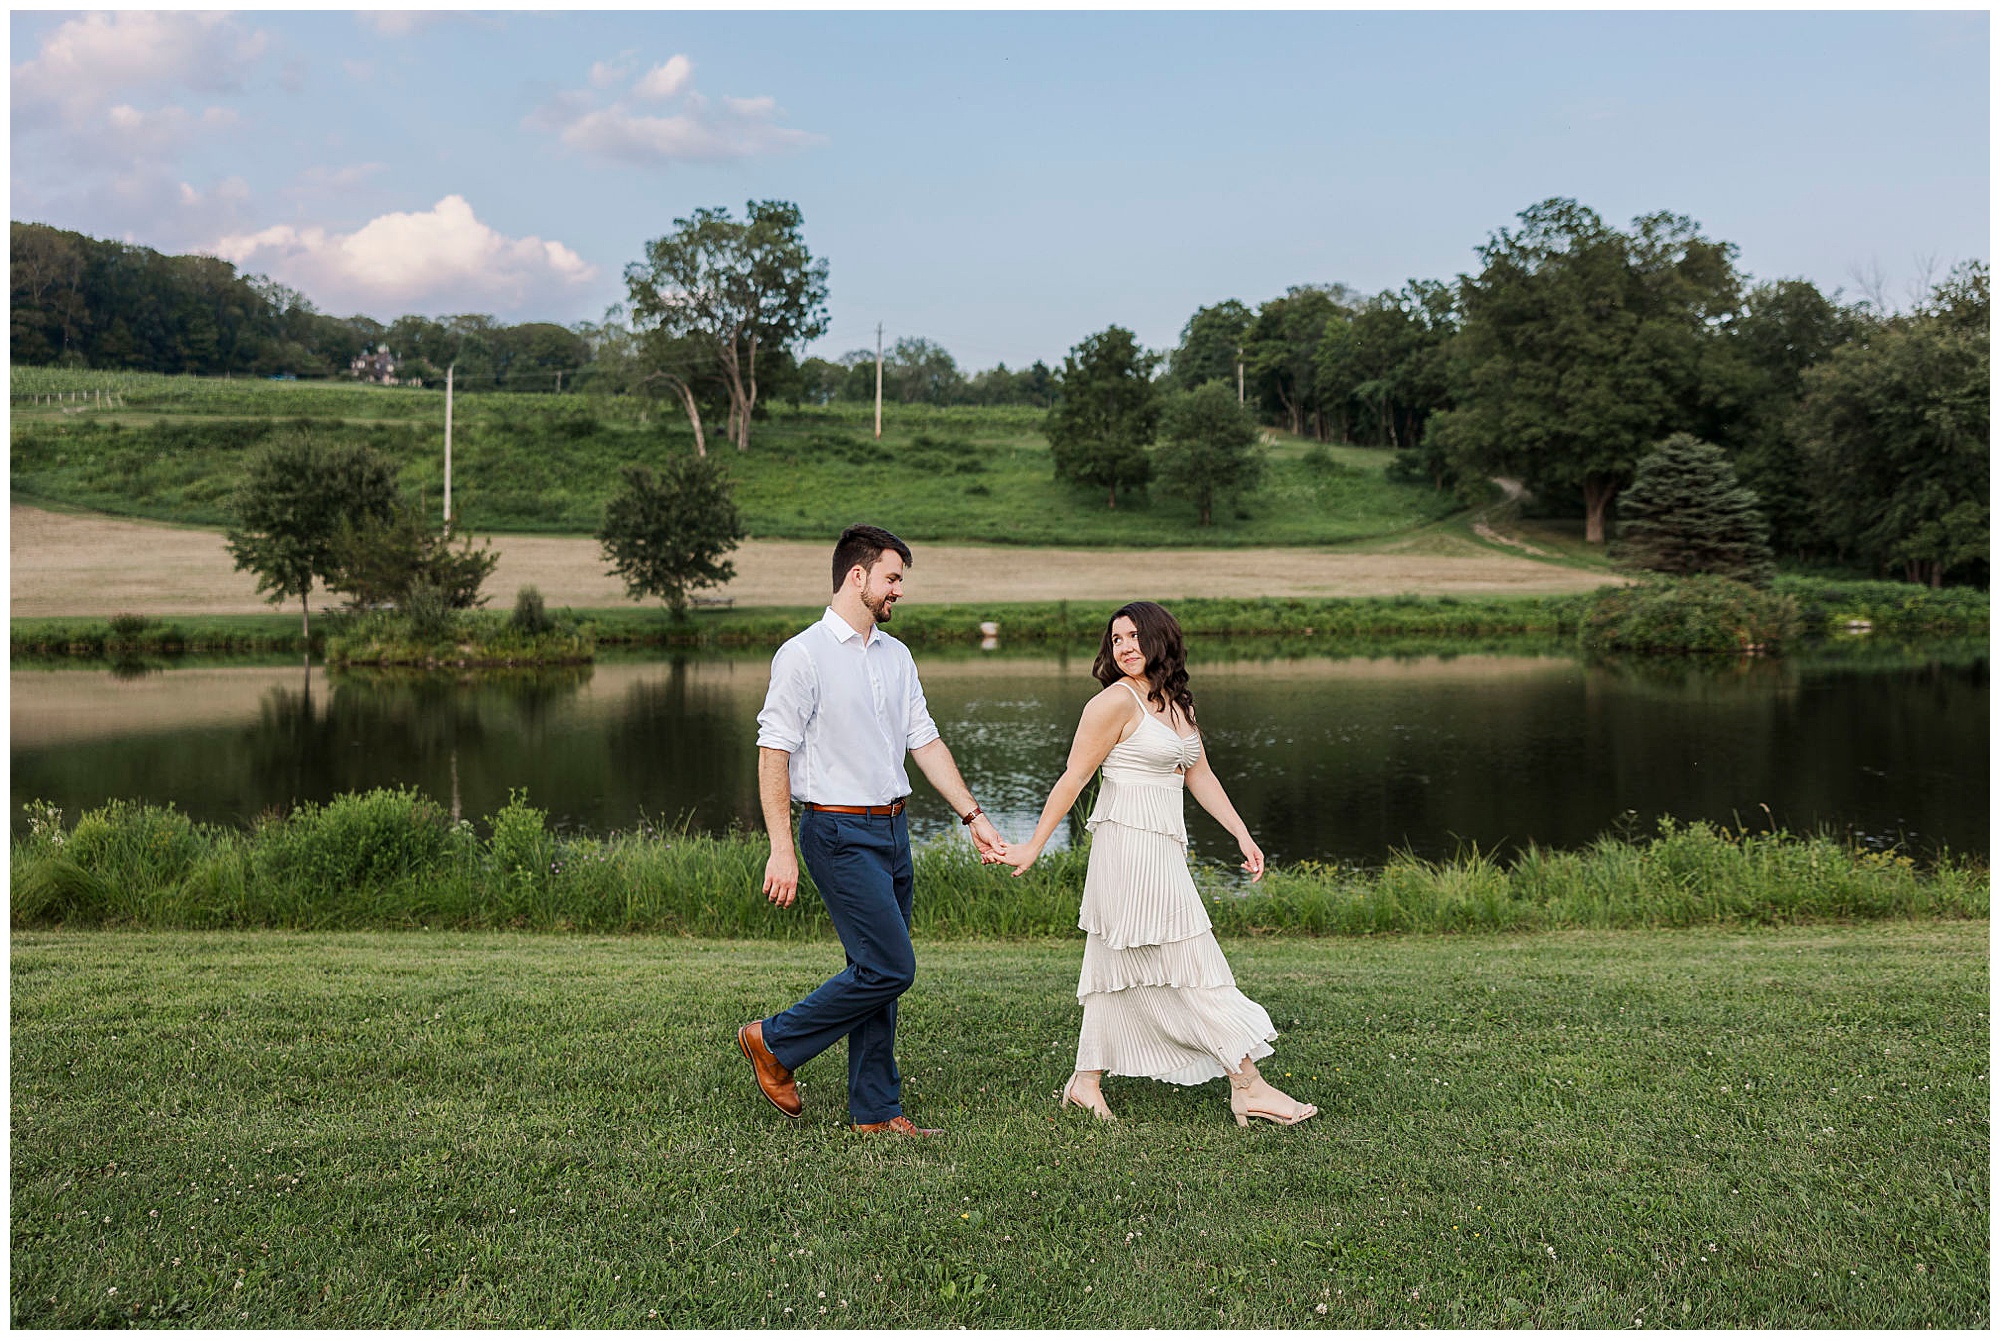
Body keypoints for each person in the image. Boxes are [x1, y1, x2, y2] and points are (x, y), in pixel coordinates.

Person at [999, 600, 1316, 1127]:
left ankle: (1086, 1080)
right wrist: (1033, 845)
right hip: (1126, 849)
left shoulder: (1177, 703)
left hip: (1162, 848)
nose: (1123, 647)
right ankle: (1249, 1085)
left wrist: (1242, 833)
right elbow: (1073, 778)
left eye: (1133, 637)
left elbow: (1200, 775)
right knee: (1192, 963)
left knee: (1119, 963)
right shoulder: (1112, 704)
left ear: (1160, 640)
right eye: (1116, 638)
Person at [737, 524, 1008, 1137]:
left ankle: (877, 1112)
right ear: (856, 577)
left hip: (893, 831)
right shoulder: (802, 654)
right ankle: (772, 1041)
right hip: (834, 831)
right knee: (891, 967)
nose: (898, 591)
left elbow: (925, 740)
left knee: (874, 971)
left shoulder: (896, 654)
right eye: (892, 578)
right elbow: (772, 751)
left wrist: (974, 815)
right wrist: (782, 847)